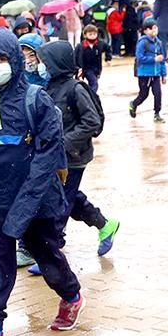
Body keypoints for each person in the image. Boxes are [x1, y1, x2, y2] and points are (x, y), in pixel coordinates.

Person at [0, 29, 85, 336]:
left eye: (0, 59)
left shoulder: (37, 99)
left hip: (36, 202)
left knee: (47, 256)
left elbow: (48, 157)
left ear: (15, 61)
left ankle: (71, 296)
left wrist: (23, 208)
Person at [38, 41, 121, 258]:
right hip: (55, 156)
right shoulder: (49, 87)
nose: (42, 67)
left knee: (60, 202)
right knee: (68, 197)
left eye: (45, 63)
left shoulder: (76, 88)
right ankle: (105, 224)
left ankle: (50, 252)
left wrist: (66, 142)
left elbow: (91, 121)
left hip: (74, 157)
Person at [129, 18, 167, 122]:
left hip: (156, 74)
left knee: (158, 93)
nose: (154, 30)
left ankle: (157, 113)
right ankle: (133, 104)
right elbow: (139, 57)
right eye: (151, 29)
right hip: (144, 74)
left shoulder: (159, 43)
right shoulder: (142, 42)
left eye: (155, 28)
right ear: (145, 31)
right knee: (143, 94)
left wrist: (164, 74)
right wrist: (153, 59)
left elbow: (162, 59)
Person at [77, 24, 104, 92]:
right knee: (94, 83)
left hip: (97, 68)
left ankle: (90, 94)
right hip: (86, 68)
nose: (92, 36)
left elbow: (107, 48)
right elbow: (76, 57)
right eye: (90, 34)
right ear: (85, 35)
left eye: (94, 34)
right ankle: (92, 96)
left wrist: (108, 58)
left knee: (93, 82)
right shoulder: (81, 46)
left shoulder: (98, 44)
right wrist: (77, 68)